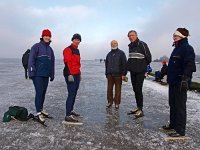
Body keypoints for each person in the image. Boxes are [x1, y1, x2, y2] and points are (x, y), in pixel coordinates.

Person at [162, 28, 196, 137]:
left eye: (176, 35)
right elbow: (173, 66)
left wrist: (186, 79)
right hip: (172, 81)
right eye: (173, 35)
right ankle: (173, 125)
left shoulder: (187, 48)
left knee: (180, 106)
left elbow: (190, 65)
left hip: (180, 82)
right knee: (172, 104)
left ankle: (180, 131)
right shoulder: (176, 48)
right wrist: (164, 72)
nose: (174, 37)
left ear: (183, 36)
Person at [28, 29, 55, 123]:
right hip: (37, 75)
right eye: (46, 36)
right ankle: (38, 112)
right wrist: (31, 72)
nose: (47, 37)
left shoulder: (50, 50)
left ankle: (41, 108)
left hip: (46, 75)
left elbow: (52, 63)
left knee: (43, 92)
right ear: (42, 36)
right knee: (39, 92)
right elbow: (31, 60)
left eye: (49, 36)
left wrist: (52, 74)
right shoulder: (36, 47)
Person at [126, 30, 152, 118]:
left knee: (138, 89)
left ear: (136, 35)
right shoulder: (130, 46)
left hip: (140, 71)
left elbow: (149, 57)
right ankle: (138, 107)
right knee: (135, 89)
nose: (131, 37)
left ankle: (140, 109)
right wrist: (126, 70)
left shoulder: (142, 44)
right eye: (129, 36)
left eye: (132, 35)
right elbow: (130, 59)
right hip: (133, 72)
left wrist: (144, 68)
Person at [63, 33, 82, 123]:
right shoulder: (68, 49)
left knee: (74, 93)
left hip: (77, 74)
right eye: (75, 39)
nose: (77, 41)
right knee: (71, 93)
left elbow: (78, 64)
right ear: (72, 40)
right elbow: (67, 63)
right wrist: (69, 74)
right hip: (70, 74)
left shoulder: (77, 50)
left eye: (78, 40)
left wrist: (79, 73)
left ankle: (70, 111)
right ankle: (67, 115)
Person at [105, 40, 127, 109]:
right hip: (110, 75)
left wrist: (124, 74)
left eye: (115, 43)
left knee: (118, 90)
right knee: (109, 90)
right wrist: (107, 74)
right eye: (112, 44)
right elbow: (106, 64)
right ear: (110, 45)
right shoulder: (108, 54)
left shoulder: (121, 53)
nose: (113, 45)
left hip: (118, 75)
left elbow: (124, 64)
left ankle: (117, 103)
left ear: (117, 44)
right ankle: (110, 102)